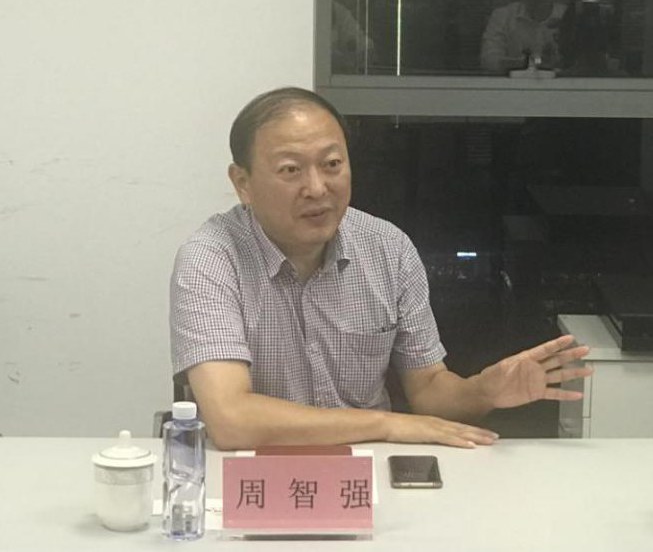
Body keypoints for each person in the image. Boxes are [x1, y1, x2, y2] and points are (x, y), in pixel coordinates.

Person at [170, 87, 591, 450]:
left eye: (332, 164)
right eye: (290, 170)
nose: (316, 188)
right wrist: (386, 424)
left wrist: (484, 390)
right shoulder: (211, 259)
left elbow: (428, 390)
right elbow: (231, 419)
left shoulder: (387, 248)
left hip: (368, 475)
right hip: (255, 477)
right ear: (242, 183)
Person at [480, 0, 567, 72]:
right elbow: (488, 61)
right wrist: (530, 62)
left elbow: (580, 63)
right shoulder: (503, 16)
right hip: (514, 82)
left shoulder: (567, 17)